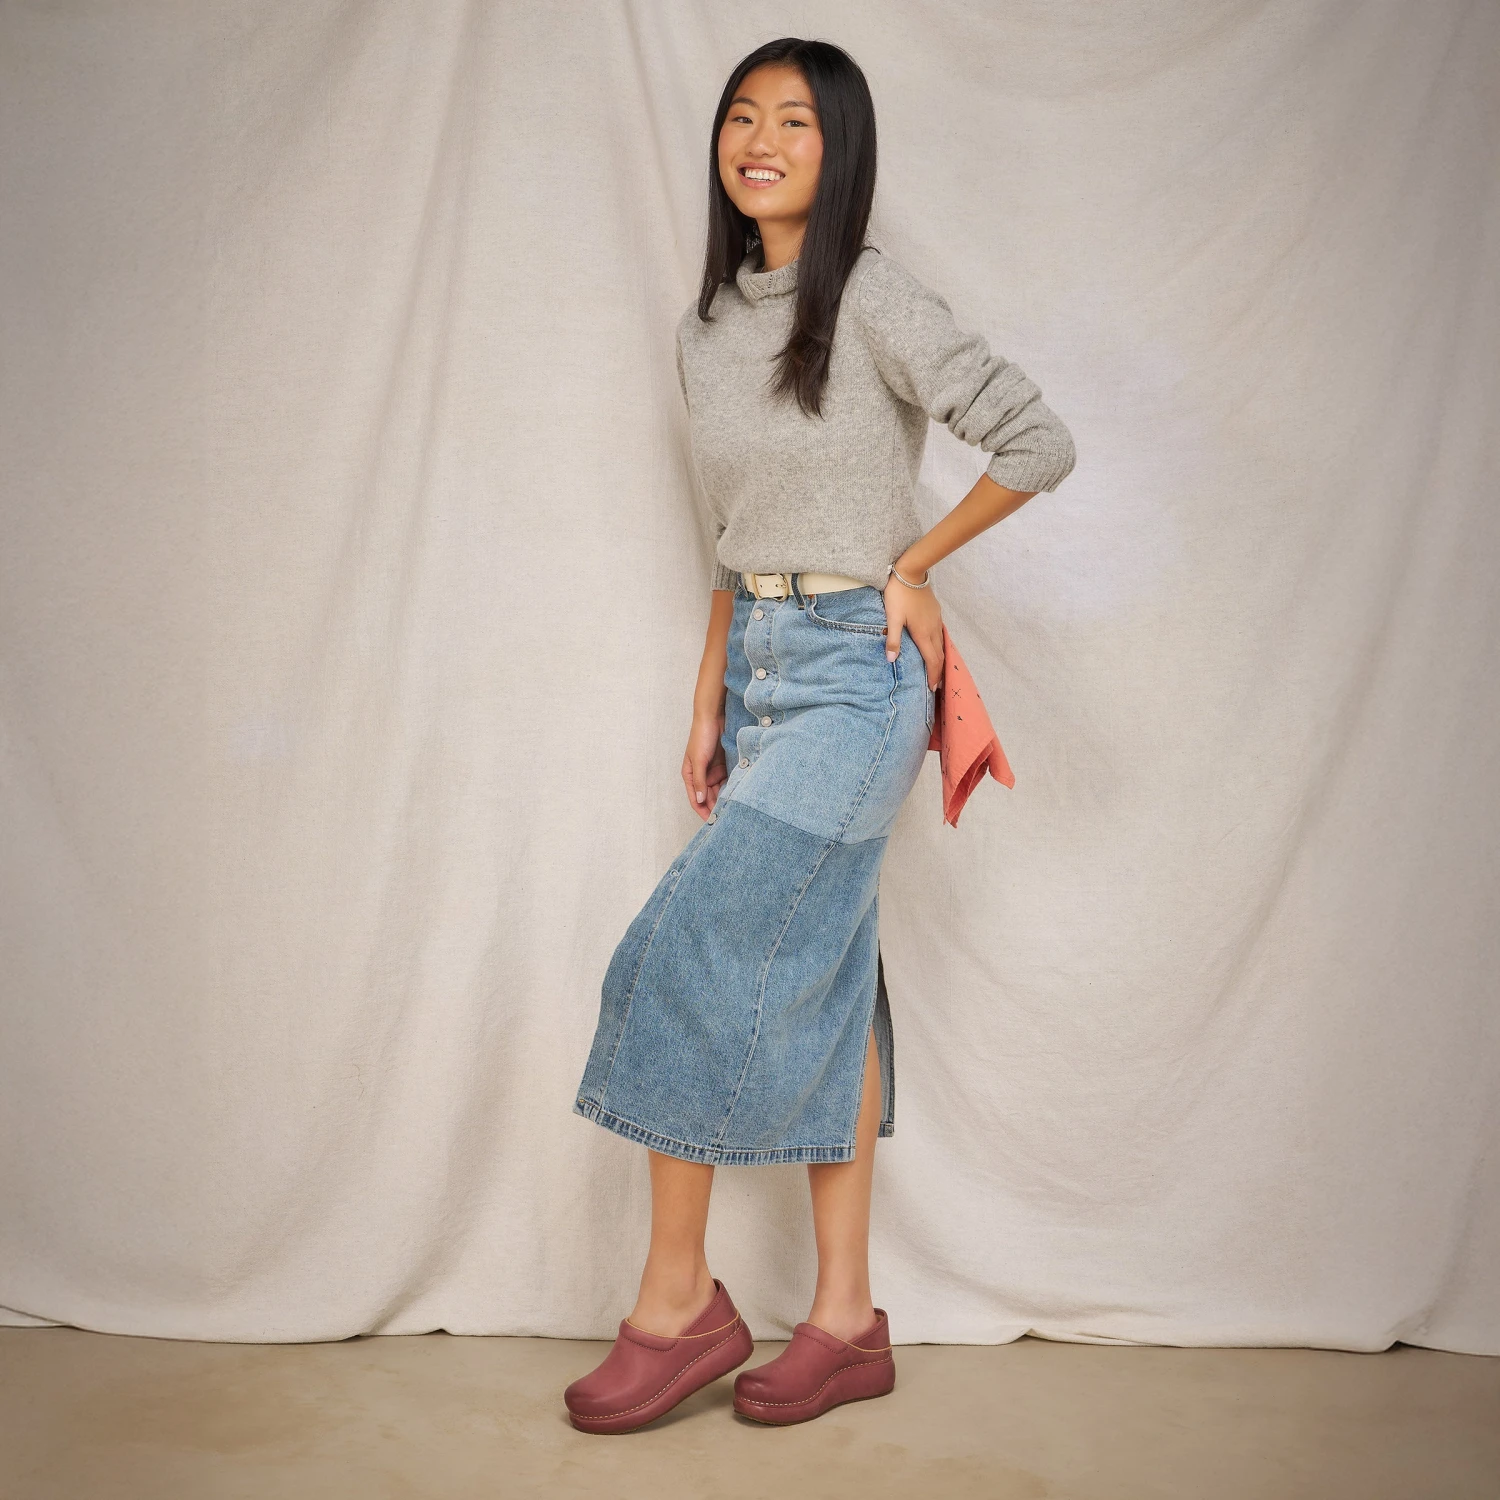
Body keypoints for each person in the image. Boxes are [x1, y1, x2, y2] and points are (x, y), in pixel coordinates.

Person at [564, 36, 1076, 1434]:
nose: (761, 139)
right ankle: (845, 1322)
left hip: (862, 673)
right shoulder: (706, 332)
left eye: (795, 119)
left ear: (840, 150)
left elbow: (1036, 441)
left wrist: (916, 563)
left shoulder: (874, 298)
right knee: (828, 974)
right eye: (743, 115)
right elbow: (729, 535)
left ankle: (677, 1304)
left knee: (682, 950)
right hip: (762, 671)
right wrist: (709, 691)